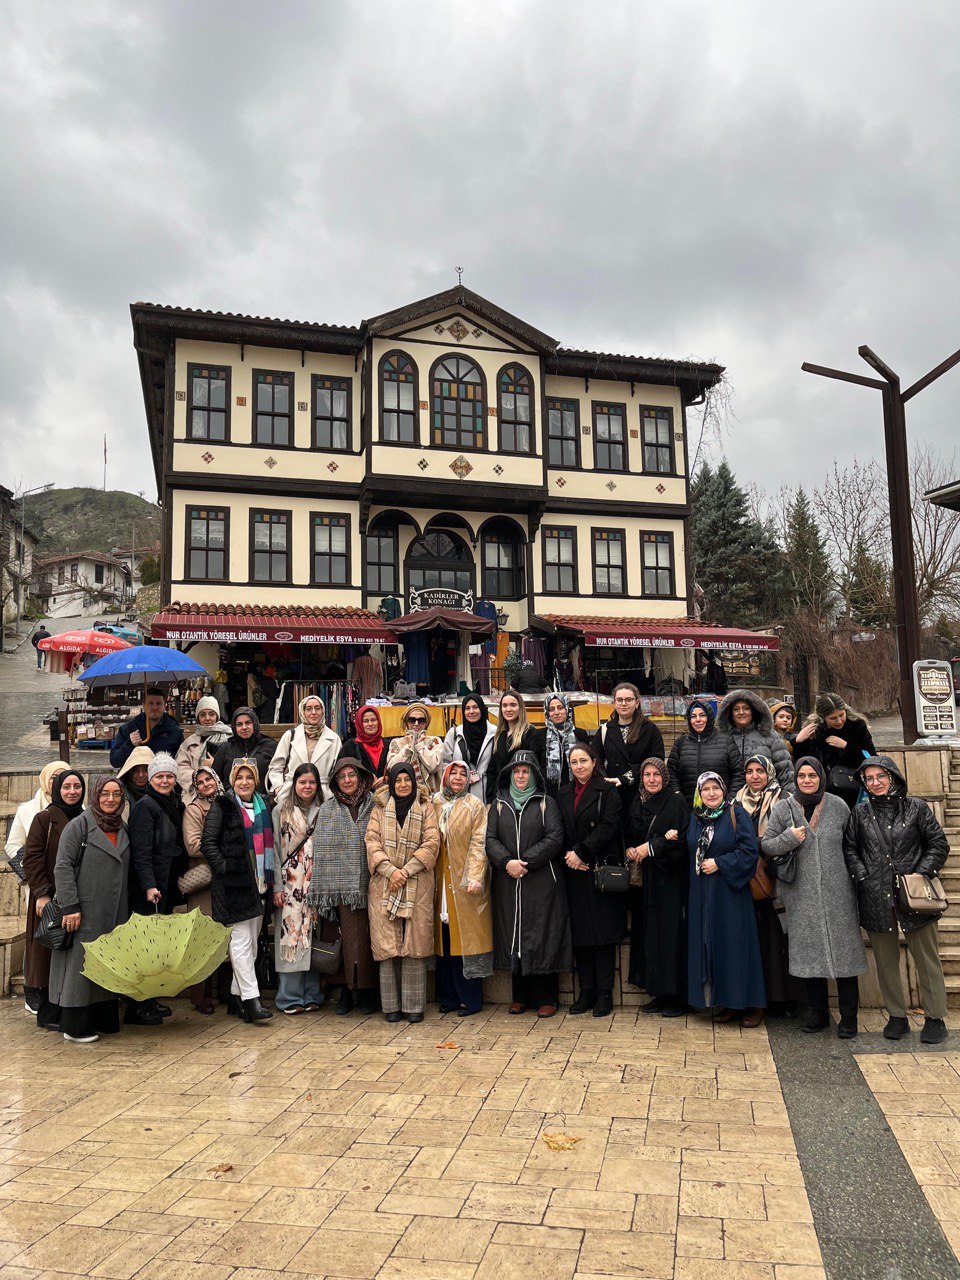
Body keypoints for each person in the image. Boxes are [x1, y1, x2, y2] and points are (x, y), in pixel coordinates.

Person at [844, 755, 950, 1045]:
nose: (875, 783)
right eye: (870, 779)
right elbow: (850, 849)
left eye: (880, 776)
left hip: (914, 896)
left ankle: (935, 1017)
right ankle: (896, 1016)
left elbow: (938, 844)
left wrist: (920, 874)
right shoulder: (860, 814)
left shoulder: (916, 807)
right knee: (886, 960)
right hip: (876, 895)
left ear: (892, 777)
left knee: (926, 958)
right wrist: (863, 876)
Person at [761, 758, 867, 1038]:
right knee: (810, 958)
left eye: (812, 775)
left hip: (839, 893)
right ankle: (818, 1013)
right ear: (795, 779)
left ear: (821, 776)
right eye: (802, 776)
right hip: (801, 894)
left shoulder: (838, 806)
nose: (807, 780)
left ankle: (849, 1018)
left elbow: (852, 845)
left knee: (845, 958)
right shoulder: (784, 808)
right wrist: (789, 838)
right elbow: (767, 845)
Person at [486, 751, 571, 1017]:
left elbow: (555, 837)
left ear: (534, 774)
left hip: (542, 879)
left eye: (526, 772)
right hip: (509, 879)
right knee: (516, 935)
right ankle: (520, 996)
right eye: (516, 772)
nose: (521, 776)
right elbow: (490, 839)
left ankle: (547, 997)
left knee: (542, 933)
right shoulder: (499, 803)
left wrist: (525, 861)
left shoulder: (547, 802)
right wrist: (507, 862)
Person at [48, 775, 130, 1043]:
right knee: (79, 967)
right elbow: (63, 866)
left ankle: (104, 1019)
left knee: (105, 965)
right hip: (84, 910)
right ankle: (75, 1026)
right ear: (95, 795)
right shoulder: (79, 826)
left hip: (114, 911)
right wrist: (70, 906)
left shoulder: (123, 827)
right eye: (105, 793)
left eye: (116, 794)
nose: (110, 799)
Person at [687, 771, 766, 1027]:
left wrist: (720, 863)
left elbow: (748, 851)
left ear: (723, 790)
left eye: (715, 788)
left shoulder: (736, 813)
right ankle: (729, 1002)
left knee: (737, 947)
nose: (711, 793)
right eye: (706, 789)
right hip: (704, 894)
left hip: (730, 894)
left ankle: (753, 1004)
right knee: (716, 948)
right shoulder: (696, 817)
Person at [365, 762, 440, 1024]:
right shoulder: (379, 808)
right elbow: (372, 842)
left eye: (407, 779)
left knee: (413, 945)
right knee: (388, 945)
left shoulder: (426, 807)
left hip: (416, 881)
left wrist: (405, 871)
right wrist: (390, 871)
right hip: (385, 883)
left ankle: (414, 1006)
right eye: (398, 780)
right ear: (391, 782)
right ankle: (391, 1007)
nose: (403, 785)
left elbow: (432, 843)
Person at [201, 758, 274, 1024]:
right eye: (239, 778)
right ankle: (252, 1002)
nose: (244, 783)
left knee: (251, 944)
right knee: (241, 944)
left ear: (256, 780)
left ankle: (235, 996)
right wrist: (226, 867)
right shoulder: (223, 805)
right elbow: (207, 842)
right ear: (233, 781)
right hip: (233, 885)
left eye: (249, 778)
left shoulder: (263, 805)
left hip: (259, 884)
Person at [557, 744, 623, 1018]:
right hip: (572, 870)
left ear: (594, 762)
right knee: (582, 935)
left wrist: (582, 852)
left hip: (598, 868)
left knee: (603, 935)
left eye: (583, 760)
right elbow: (556, 828)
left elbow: (610, 826)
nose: (579, 766)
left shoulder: (607, 791)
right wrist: (569, 855)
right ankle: (586, 991)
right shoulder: (561, 793)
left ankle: (604, 994)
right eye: (574, 762)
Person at [310, 757, 379, 1015]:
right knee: (340, 939)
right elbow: (321, 849)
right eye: (342, 777)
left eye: (351, 775)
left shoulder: (375, 805)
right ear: (335, 781)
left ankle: (367, 992)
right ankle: (346, 993)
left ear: (360, 777)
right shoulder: (327, 809)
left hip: (368, 885)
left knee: (366, 941)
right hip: (334, 887)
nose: (347, 780)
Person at [734, 755, 799, 1015]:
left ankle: (781, 1001)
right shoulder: (737, 801)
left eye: (760, 771)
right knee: (754, 942)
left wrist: (761, 846)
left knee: (776, 941)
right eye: (749, 771)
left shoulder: (783, 800)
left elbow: (792, 835)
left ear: (769, 772)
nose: (755, 776)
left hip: (774, 879)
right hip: (745, 880)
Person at [21, 770, 85, 1026]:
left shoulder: (85, 817)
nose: (72, 792)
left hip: (76, 897)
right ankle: (48, 1014)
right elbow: (32, 858)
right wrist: (42, 893)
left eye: (77, 786)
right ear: (57, 789)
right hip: (48, 899)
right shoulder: (44, 818)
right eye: (66, 787)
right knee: (49, 954)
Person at [627, 758, 690, 1018]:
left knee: (670, 936)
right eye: (646, 775)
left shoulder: (675, 802)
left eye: (656, 775)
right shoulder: (637, 801)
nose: (651, 780)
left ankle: (676, 996)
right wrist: (632, 848)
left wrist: (653, 846)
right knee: (649, 936)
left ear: (664, 777)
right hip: (645, 882)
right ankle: (658, 992)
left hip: (668, 881)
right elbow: (632, 833)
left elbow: (683, 839)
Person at [433, 761, 492, 1017]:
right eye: (452, 773)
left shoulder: (474, 805)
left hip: (464, 880)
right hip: (438, 879)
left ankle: (470, 998)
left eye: (462, 774)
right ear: (444, 776)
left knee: (465, 939)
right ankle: (448, 997)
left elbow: (479, 841)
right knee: (443, 940)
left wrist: (475, 875)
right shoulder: (433, 802)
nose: (457, 778)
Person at [271, 763, 324, 1016]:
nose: (307, 787)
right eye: (302, 782)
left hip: (315, 882)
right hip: (290, 883)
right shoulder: (281, 811)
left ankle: (312, 994)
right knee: (290, 934)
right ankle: (289, 996)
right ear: (295, 784)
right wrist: (277, 886)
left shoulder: (325, 811)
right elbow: (274, 849)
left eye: (312, 782)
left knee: (312, 934)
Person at [181, 764, 225, 1015]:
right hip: (204, 880)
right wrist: (223, 851)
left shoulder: (226, 803)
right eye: (201, 781)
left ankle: (229, 993)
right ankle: (202, 998)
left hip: (224, 880)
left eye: (209, 779)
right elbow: (193, 845)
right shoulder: (194, 810)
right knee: (202, 939)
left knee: (226, 936)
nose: (206, 784)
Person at [592, 683, 665, 828]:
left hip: (642, 794)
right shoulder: (605, 730)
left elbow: (657, 760)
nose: (623, 703)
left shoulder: (650, 730)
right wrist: (606, 780)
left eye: (628, 700)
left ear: (637, 703)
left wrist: (626, 778)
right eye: (619, 700)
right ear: (614, 703)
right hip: (612, 794)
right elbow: (595, 759)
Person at [793, 693, 876, 807]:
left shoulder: (857, 727)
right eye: (833, 718)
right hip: (822, 792)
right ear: (823, 718)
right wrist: (799, 742)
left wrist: (847, 746)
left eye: (842, 715)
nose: (839, 721)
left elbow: (871, 759)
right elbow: (804, 763)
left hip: (852, 790)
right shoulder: (814, 731)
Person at [267, 695, 343, 805]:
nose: (313, 712)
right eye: (308, 709)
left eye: (317, 708)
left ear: (323, 711)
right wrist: (278, 786)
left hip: (323, 797)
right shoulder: (290, 735)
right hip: (291, 794)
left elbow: (337, 771)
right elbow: (276, 766)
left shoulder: (334, 739)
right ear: (303, 712)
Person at [668, 699, 745, 807]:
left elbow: (738, 772)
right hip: (689, 809)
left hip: (721, 808)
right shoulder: (681, 743)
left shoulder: (726, 741)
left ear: (709, 717)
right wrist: (678, 795)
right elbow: (671, 772)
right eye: (693, 716)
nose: (698, 720)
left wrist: (730, 798)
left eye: (702, 715)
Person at [717, 689, 794, 790]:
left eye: (746, 708)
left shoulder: (770, 736)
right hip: (732, 800)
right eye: (736, 709)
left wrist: (788, 800)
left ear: (754, 710)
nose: (741, 712)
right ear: (729, 713)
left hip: (767, 799)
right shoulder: (722, 738)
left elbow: (785, 772)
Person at [5, 760, 68, 867]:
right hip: (38, 874)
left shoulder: (80, 809)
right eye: (54, 777)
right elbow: (12, 845)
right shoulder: (27, 809)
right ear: (45, 779)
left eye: (64, 776)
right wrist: (33, 859)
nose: (60, 780)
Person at [486, 690, 542, 802]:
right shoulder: (499, 735)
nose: (508, 709)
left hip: (522, 796)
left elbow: (534, 769)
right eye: (504, 706)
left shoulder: (531, 733)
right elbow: (491, 772)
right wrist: (489, 800)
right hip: (499, 796)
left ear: (520, 708)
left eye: (513, 705)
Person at [109, 687, 183, 769]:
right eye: (150, 703)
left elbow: (181, 762)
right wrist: (129, 744)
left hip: (163, 779)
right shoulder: (128, 728)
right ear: (143, 705)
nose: (155, 707)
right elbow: (115, 761)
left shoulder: (174, 731)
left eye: (158, 703)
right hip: (136, 779)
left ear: (164, 705)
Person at [175, 696, 231, 805]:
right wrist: (199, 779)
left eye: (211, 714)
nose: (207, 718)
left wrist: (216, 765)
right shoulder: (189, 743)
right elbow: (180, 767)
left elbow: (235, 765)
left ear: (217, 716)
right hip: (194, 794)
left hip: (224, 792)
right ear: (198, 718)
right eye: (203, 714)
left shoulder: (229, 738)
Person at [442, 693, 497, 802]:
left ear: (482, 709)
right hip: (458, 797)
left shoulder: (494, 733)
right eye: (467, 708)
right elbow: (445, 764)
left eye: (475, 707)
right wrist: (460, 775)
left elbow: (497, 767)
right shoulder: (454, 734)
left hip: (487, 797)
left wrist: (492, 800)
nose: (471, 712)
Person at [212, 707, 275, 797]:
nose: (244, 727)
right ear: (234, 727)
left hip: (262, 802)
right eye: (239, 724)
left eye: (248, 723)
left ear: (255, 723)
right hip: (232, 803)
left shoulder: (269, 746)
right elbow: (216, 778)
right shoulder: (225, 748)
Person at [385, 704, 445, 793]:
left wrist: (420, 746)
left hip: (430, 794)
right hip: (404, 793)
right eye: (412, 720)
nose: (416, 724)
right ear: (406, 722)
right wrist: (408, 747)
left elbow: (433, 767)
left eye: (421, 720)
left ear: (426, 723)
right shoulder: (397, 742)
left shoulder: (435, 741)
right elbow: (392, 768)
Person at [542, 692, 590, 799]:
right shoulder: (539, 735)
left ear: (567, 709)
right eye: (551, 709)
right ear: (547, 712)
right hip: (548, 794)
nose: (556, 712)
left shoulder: (580, 734)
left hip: (576, 792)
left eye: (560, 708)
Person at [340, 705, 392, 780]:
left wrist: (387, 778)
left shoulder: (389, 745)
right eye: (365, 721)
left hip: (385, 790)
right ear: (359, 723)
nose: (370, 724)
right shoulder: (350, 746)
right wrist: (366, 778)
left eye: (373, 720)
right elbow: (341, 772)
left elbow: (397, 769)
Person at [116, 746, 154, 819]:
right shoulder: (120, 793)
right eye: (136, 771)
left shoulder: (161, 793)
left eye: (145, 770)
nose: (141, 775)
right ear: (130, 773)